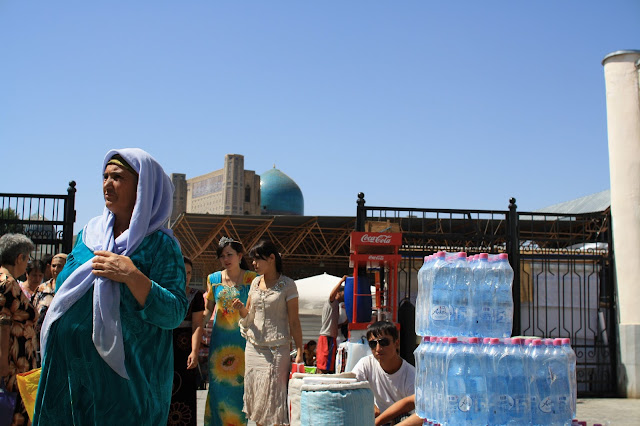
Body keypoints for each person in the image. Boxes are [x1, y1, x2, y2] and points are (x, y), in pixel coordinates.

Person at [33, 148, 188, 425]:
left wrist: (132, 276)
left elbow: (175, 312)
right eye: (105, 176)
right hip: (69, 376)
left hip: (126, 389)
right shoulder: (88, 235)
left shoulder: (160, 245)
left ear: (142, 187)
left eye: (117, 177)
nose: (107, 183)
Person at [233, 240, 303, 426]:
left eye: (257, 260)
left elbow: (294, 321)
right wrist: (240, 309)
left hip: (277, 350)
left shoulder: (288, 285)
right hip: (253, 347)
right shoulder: (255, 282)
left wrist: (300, 351)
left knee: (274, 398)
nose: (253, 264)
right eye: (253, 260)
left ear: (272, 258)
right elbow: (248, 316)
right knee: (258, 399)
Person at [201, 237, 257, 426]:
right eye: (222, 256)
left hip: (243, 341)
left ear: (240, 256)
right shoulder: (213, 279)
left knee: (239, 389)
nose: (226, 259)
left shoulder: (252, 279)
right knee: (217, 386)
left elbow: (257, 311)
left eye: (230, 254)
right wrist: (198, 321)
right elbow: (208, 308)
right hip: (219, 343)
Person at [0, 233, 38, 426]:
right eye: (27, 258)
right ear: (19, 258)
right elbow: (3, 325)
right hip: (13, 366)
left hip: (16, 365)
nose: (27, 263)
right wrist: (3, 365)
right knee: (13, 416)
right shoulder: (7, 283)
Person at [352, 320, 416, 419]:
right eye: (373, 344)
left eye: (384, 342)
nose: (378, 348)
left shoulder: (411, 375)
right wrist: (369, 405)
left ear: (396, 343)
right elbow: (351, 389)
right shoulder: (366, 364)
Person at [168, 256, 204, 426]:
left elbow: (197, 325)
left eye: (189, 273)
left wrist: (195, 352)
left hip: (185, 352)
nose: (186, 276)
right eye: (183, 272)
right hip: (164, 350)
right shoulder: (164, 293)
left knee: (186, 396)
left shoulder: (196, 296)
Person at [32, 253, 67, 366]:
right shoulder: (42, 289)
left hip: (62, 343)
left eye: (60, 266)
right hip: (41, 342)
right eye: (53, 266)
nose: (56, 269)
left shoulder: (71, 290)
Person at [316, 275, 346, 373]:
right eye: (344, 293)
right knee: (325, 365)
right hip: (327, 338)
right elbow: (331, 295)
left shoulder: (336, 306)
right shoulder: (332, 302)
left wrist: (344, 323)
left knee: (330, 365)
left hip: (330, 338)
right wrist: (341, 281)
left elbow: (333, 325)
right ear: (339, 293)